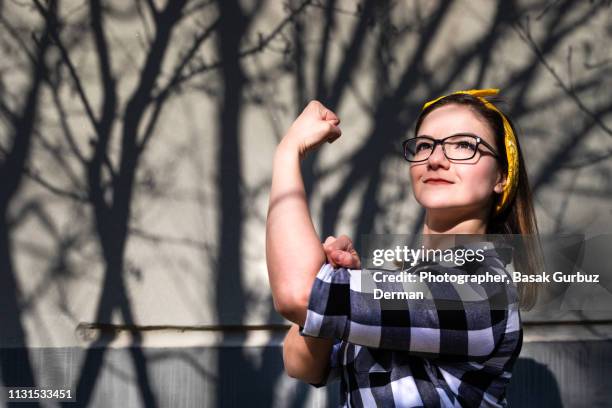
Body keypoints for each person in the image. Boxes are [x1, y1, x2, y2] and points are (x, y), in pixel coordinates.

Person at [266, 89, 541, 407]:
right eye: (425, 145)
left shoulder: (481, 286)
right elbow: (302, 365)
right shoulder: (406, 285)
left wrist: (288, 153)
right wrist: (336, 281)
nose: (436, 160)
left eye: (464, 145)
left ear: (502, 177)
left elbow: (296, 294)